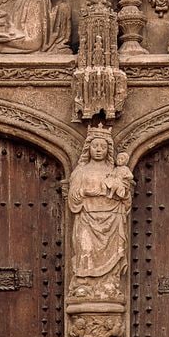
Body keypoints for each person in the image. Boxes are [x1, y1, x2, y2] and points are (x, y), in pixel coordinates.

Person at [67, 127, 133, 299]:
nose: (98, 149)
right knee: (85, 249)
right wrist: (85, 193)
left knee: (112, 252)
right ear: (88, 147)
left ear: (108, 150)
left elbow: (126, 200)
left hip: (112, 218)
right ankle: (83, 284)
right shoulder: (80, 172)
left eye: (102, 147)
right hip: (87, 217)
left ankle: (110, 283)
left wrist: (123, 192)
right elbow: (72, 197)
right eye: (95, 146)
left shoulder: (115, 171)